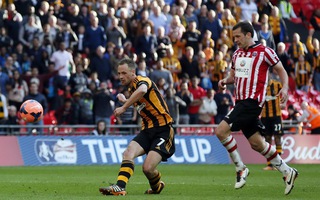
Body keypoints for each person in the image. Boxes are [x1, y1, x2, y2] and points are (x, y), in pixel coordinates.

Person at [216, 21, 298, 195]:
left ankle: (240, 168)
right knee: (257, 144)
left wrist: (284, 87)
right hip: (241, 102)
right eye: (234, 37)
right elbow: (233, 76)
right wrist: (224, 81)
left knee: (221, 131)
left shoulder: (265, 51)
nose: (235, 40)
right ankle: (287, 171)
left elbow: (281, 69)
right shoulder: (237, 54)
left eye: (238, 36)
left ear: (248, 34)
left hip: (252, 102)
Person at [99, 58, 175, 196]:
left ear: (132, 72)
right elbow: (142, 100)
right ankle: (120, 187)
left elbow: (143, 90)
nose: (120, 76)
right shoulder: (131, 89)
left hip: (163, 130)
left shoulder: (142, 80)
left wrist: (124, 107)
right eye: (119, 73)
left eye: (124, 73)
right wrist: (126, 100)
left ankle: (156, 186)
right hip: (147, 130)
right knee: (128, 153)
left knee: (147, 168)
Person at [260, 72, 284, 170]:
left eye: (268, 75)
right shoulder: (261, 87)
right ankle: (270, 164)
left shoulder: (277, 84)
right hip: (265, 117)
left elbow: (285, 92)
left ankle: (279, 163)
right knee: (267, 139)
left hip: (276, 116)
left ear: (270, 75)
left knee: (278, 137)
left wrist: (284, 101)